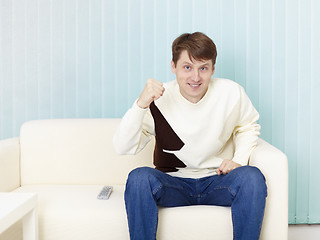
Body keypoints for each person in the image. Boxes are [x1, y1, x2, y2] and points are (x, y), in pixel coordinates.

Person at [113, 32, 267, 240]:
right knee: (139, 178)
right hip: (172, 183)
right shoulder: (158, 98)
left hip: (218, 180)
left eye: (203, 68)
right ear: (173, 66)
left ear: (213, 68)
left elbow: (248, 126)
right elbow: (123, 147)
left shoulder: (231, 93)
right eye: (187, 67)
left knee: (252, 177)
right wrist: (140, 105)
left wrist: (238, 160)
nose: (195, 77)